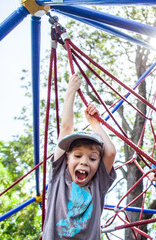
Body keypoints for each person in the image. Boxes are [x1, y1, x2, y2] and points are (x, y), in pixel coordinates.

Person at [42, 73, 117, 239]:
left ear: (98, 163)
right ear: (67, 157)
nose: (84, 162)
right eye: (77, 156)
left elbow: (110, 152)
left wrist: (95, 124)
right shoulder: (59, 174)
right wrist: (71, 91)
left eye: (92, 158)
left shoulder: (98, 184)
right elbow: (66, 128)